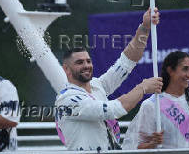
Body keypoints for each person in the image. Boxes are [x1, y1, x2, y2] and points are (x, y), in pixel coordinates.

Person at [54, 8, 163, 151]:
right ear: (66, 69)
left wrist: (145, 27)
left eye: (88, 61)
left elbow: (127, 61)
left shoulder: (97, 85)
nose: (86, 65)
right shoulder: (67, 99)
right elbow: (113, 109)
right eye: (79, 62)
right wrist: (142, 88)